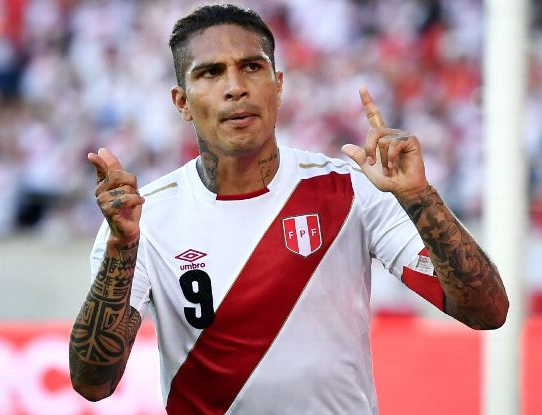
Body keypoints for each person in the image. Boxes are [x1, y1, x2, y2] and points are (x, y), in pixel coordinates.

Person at [68, 4, 508, 414]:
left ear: (278, 85)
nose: (235, 87)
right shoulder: (144, 219)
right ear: (182, 102)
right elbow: (94, 383)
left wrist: (418, 197)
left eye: (252, 67)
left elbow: (486, 311)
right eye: (210, 73)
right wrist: (123, 247)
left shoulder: (351, 188)